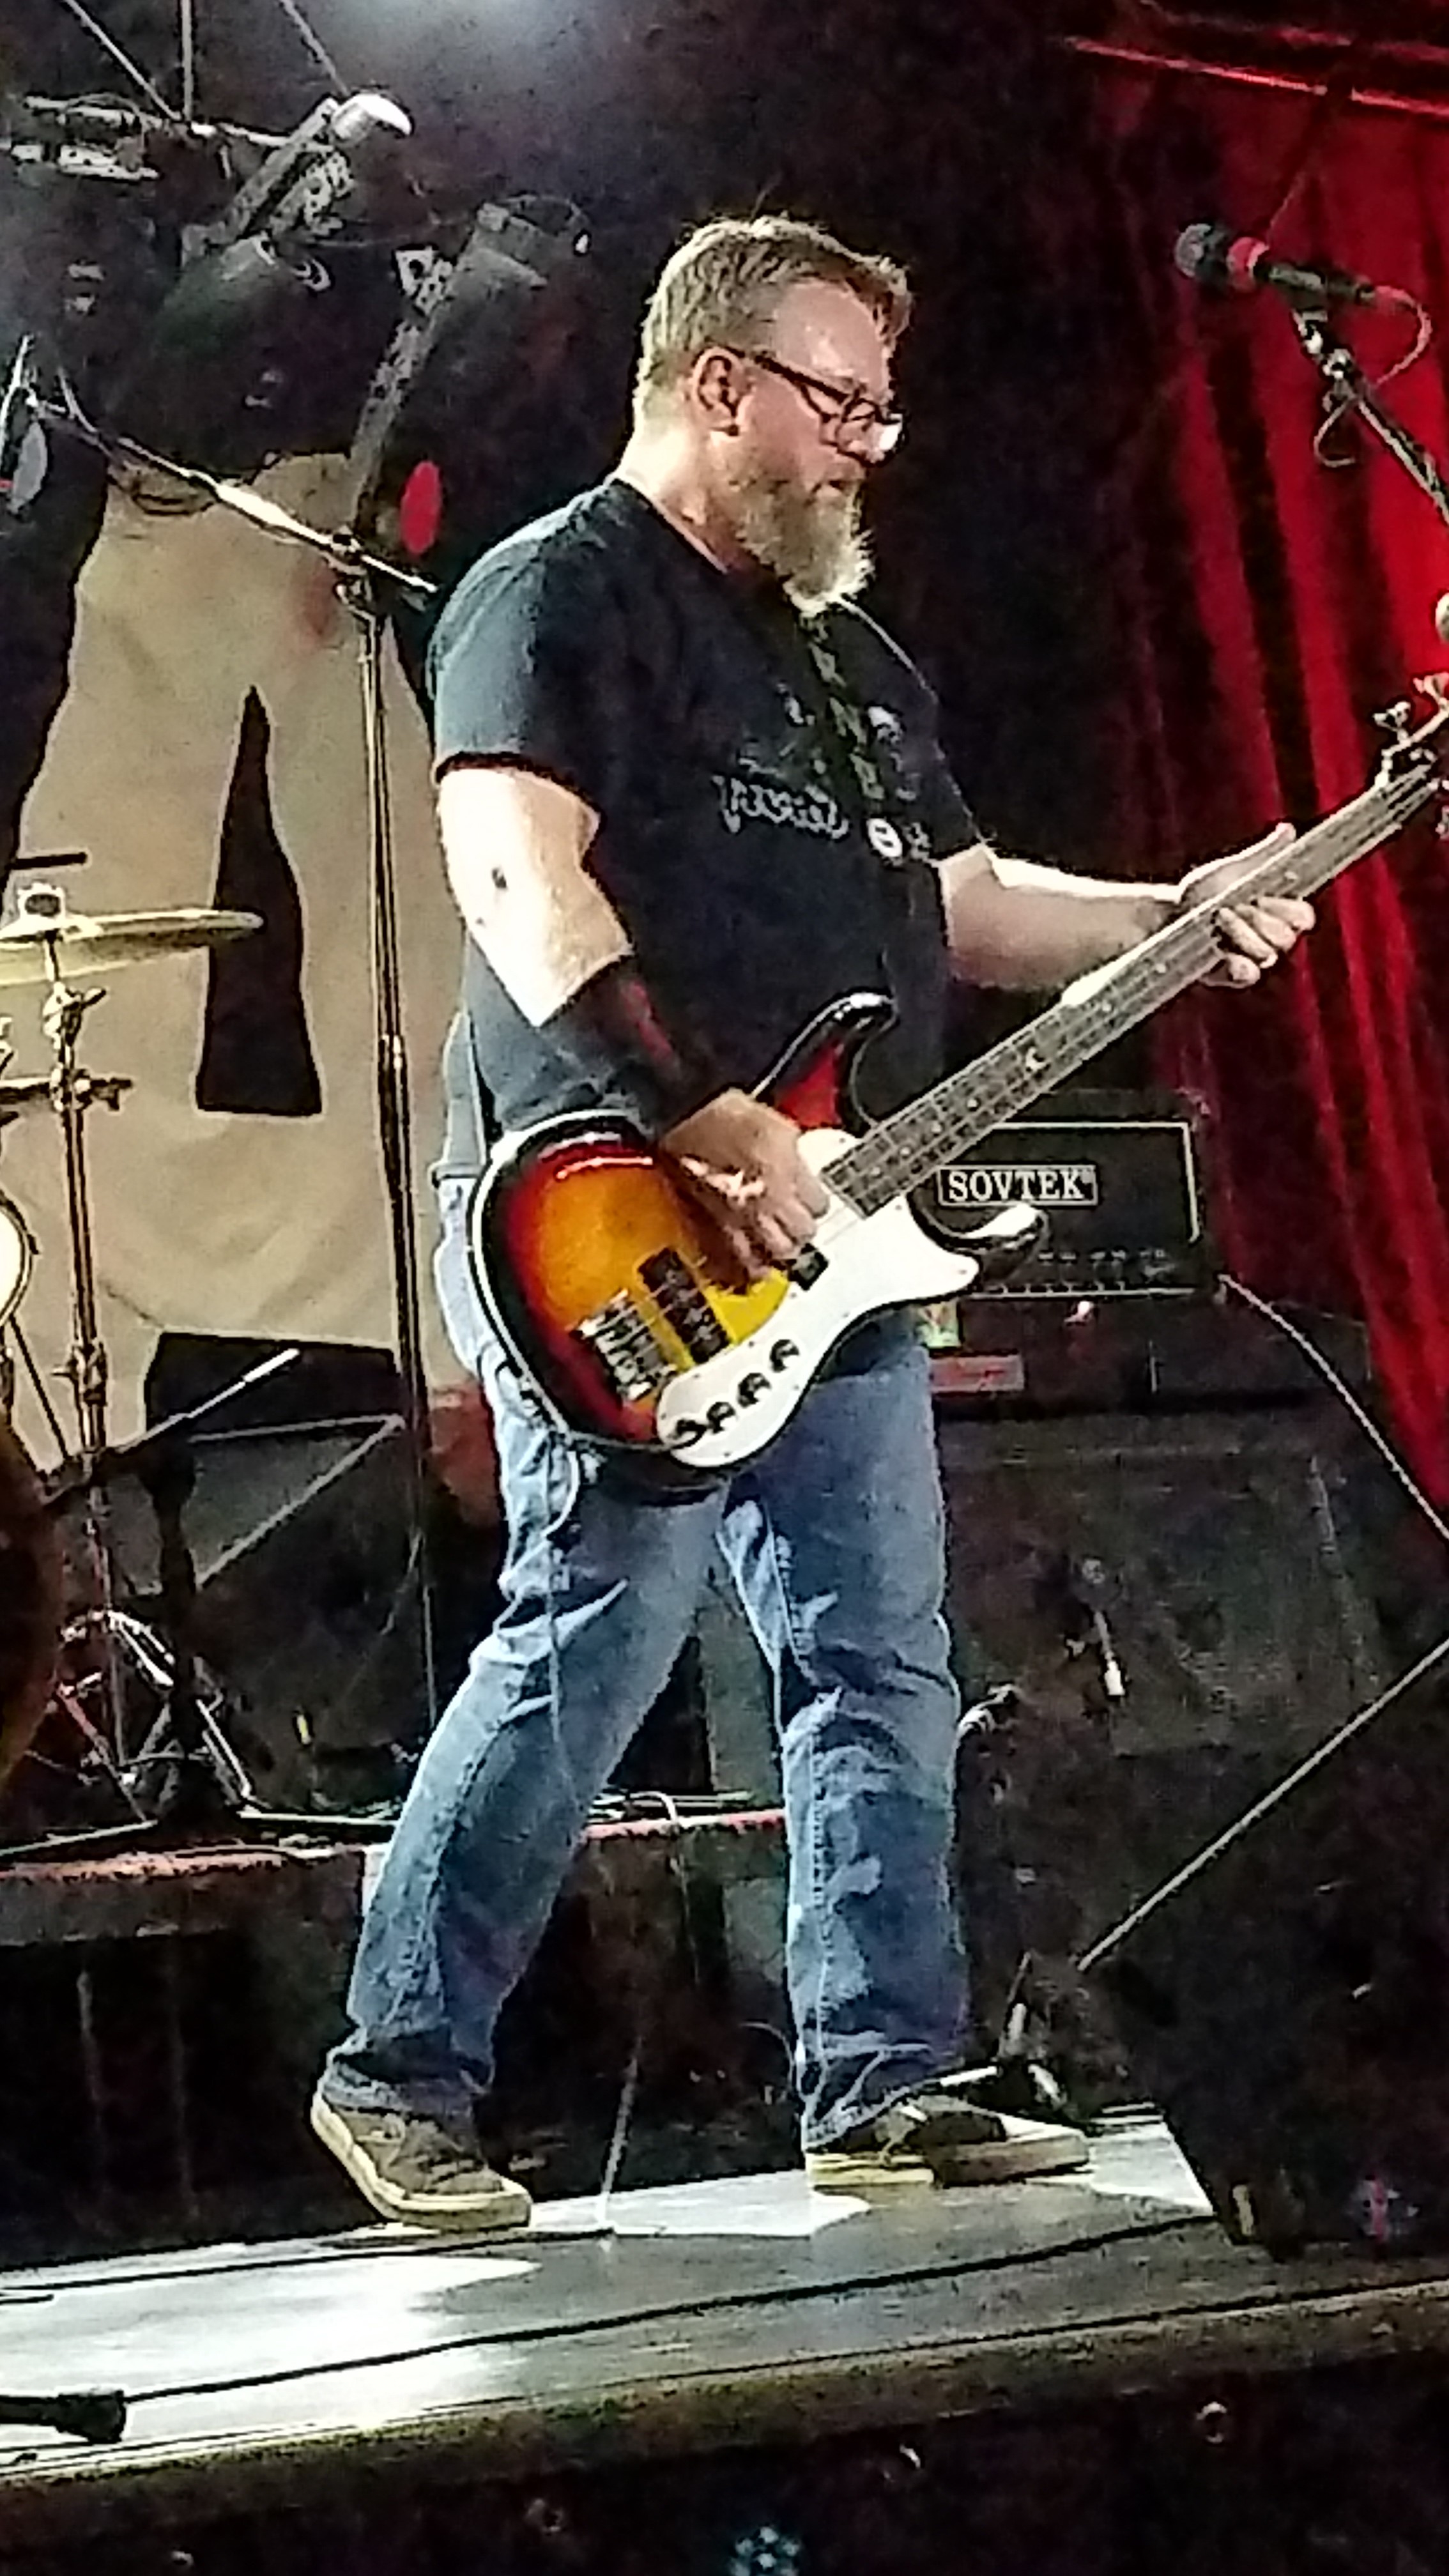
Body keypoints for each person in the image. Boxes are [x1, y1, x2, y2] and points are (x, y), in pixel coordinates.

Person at [311, 213, 1312, 2230]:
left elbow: (965, 905)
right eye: (837, 402)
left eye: (881, 412)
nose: (866, 445)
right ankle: (397, 2074)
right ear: (717, 386)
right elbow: (513, 875)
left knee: (874, 1657)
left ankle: (881, 2080)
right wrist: (695, 1113)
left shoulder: (851, 662)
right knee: (595, 1631)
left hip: (835, 1229)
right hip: (609, 1202)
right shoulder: (561, 588)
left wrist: (1172, 913)